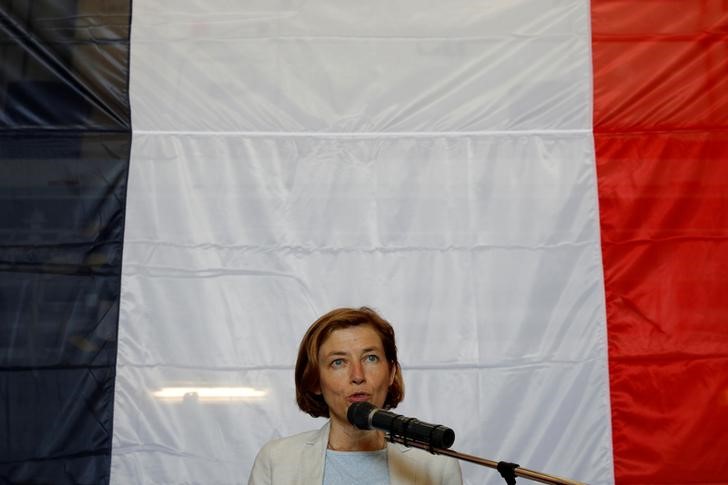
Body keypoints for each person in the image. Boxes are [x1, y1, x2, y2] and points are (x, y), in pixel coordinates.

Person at [248, 306, 462, 485]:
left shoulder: (436, 464)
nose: (358, 376)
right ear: (315, 381)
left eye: (370, 358)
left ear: (391, 373)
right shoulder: (276, 462)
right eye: (338, 362)